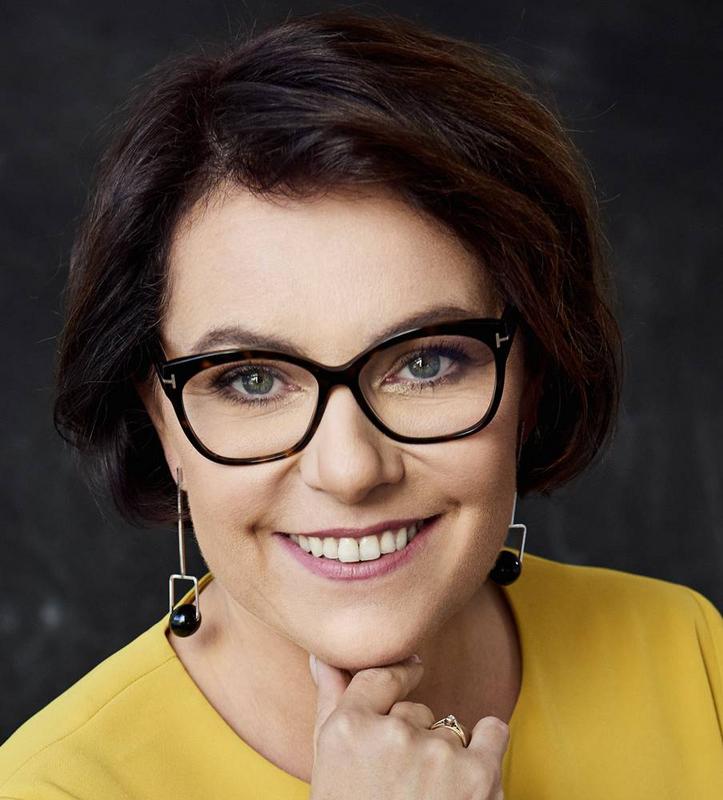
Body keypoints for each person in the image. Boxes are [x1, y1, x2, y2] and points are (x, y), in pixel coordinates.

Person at [1, 8, 721, 799]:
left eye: (425, 363)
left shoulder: (688, 656)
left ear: (531, 377)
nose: (349, 471)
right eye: (251, 379)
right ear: (163, 422)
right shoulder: (54, 788)